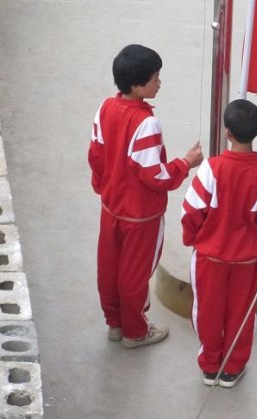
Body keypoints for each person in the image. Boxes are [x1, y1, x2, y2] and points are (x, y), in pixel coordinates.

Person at [88, 44, 203, 348]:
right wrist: (185, 163)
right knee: (135, 276)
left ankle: (115, 324)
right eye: (155, 78)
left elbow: (96, 156)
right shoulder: (147, 123)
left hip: (111, 208)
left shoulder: (105, 109)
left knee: (109, 268)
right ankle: (136, 332)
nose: (159, 83)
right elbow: (155, 175)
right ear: (137, 86)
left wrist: (104, 187)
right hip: (141, 217)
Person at [181, 99, 257, 388]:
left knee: (208, 312)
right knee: (242, 313)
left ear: (227, 132)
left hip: (209, 259)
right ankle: (233, 368)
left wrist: (193, 239)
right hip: (246, 262)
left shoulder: (210, 169)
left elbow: (191, 212)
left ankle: (210, 365)